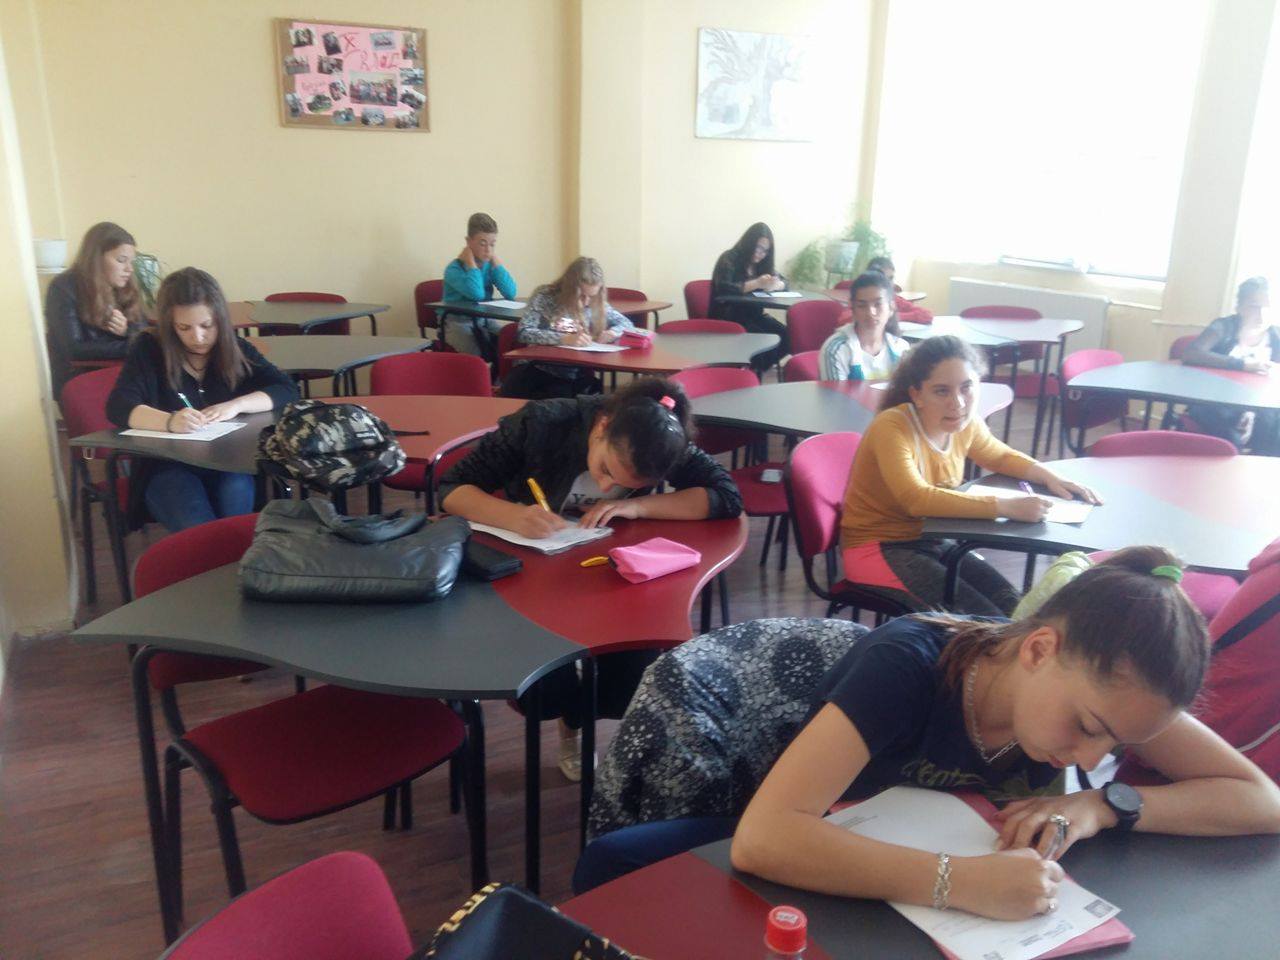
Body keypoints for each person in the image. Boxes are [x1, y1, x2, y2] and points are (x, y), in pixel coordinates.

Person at [731, 546, 1280, 920]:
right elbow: (764, 838)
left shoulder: (1118, 696)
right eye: (1088, 727)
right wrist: (959, 883)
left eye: (1115, 745)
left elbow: (1262, 801)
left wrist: (1102, 806)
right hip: (828, 901)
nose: (1089, 758)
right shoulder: (904, 666)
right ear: (1039, 650)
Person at [439, 376, 743, 780]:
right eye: (604, 469)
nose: (605, 486)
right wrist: (511, 514)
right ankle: (569, 716)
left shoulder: (660, 438)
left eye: (625, 486)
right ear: (601, 427)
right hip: (532, 575)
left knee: (629, 682)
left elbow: (726, 496)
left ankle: (577, 723)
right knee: (544, 693)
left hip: (606, 572)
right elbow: (451, 487)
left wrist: (637, 507)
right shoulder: (540, 424)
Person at [841, 335, 1100, 615]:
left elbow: (999, 456)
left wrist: (1050, 476)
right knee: (987, 624)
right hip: (879, 548)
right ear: (917, 395)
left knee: (1014, 609)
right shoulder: (892, 426)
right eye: (942, 391)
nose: (958, 403)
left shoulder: (965, 423)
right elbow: (915, 499)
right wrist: (1005, 507)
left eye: (967, 387)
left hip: (935, 538)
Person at [106, 267, 298, 532]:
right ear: (170, 326)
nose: (197, 337)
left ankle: (234, 556)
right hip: (167, 467)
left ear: (220, 320)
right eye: (184, 328)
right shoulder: (149, 349)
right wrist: (170, 421)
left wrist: (235, 405)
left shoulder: (235, 349)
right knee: (199, 528)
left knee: (236, 506)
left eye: (207, 326)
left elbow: (286, 389)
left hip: (227, 461)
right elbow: (118, 406)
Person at [500, 256, 636, 400]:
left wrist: (613, 332)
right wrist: (564, 339)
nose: (586, 301)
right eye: (581, 296)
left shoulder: (595, 302)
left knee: (586, 398)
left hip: (575, 372)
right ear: (569, 289)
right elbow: (524, 332)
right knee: (558, 397)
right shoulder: (545, 296)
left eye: (591, 296)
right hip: (538, 369)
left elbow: (627, 324)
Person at [45, 221, 149, 399]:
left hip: (122, 373)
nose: (129, 269)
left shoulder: (125, 287)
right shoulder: (64, 287)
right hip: (81, 378)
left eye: (131, 262)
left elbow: (143, 330)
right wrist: (133, 346)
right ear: (96, 258)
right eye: (121, 260)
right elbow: (74, 349)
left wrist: (126, 331)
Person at [1181, 276, 1280, 455]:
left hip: (1257, 403)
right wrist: (1242, 364)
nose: (1262, 313)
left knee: (1274, 431)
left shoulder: (1275, 336)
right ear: (1239, 307)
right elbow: (1191, 353)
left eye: (1268, 307)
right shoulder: (1224, 327)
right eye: (1254, 306)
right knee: (1230, 437)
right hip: (1214, 401)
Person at [709, 222, 789, 372]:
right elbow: (724, 288)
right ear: (748, 242)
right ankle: (750, 372)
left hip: (754, 315)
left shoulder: (763, 265)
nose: (760, 254)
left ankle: (755, 371)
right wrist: (757, 283)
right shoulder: (729, 258)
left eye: (765, 251)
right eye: (758, 247)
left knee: (787, 336)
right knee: (764, 340)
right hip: (728, 316)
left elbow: (785, 282)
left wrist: (777, 285)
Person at [441, 212, 518, 358]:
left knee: (508, 343)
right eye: (482, 244)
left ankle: (499, 373)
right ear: (468, 242)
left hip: (483, 319)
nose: (488, 250)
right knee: (478, 355)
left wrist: (496, 263)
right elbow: (477, 294)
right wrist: (471, 264)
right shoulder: (454, 269)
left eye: (492, 244)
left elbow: (510, 292)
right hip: (457, 322)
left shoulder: (489, 266)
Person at [818, 270, 910, 381]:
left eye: (878, 304)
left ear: (891, 308)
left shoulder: (901, 348)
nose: (871, 312)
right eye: (862, 305)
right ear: (852, 308)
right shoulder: (836, 350)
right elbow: (834, 393)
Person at [866, 254, 934, 324]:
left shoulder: (892, 298)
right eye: (883, 278)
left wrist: (895, 316)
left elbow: (927, 315)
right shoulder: (862, 298)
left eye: (891, 278)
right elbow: (870, 317)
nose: (888, 283)